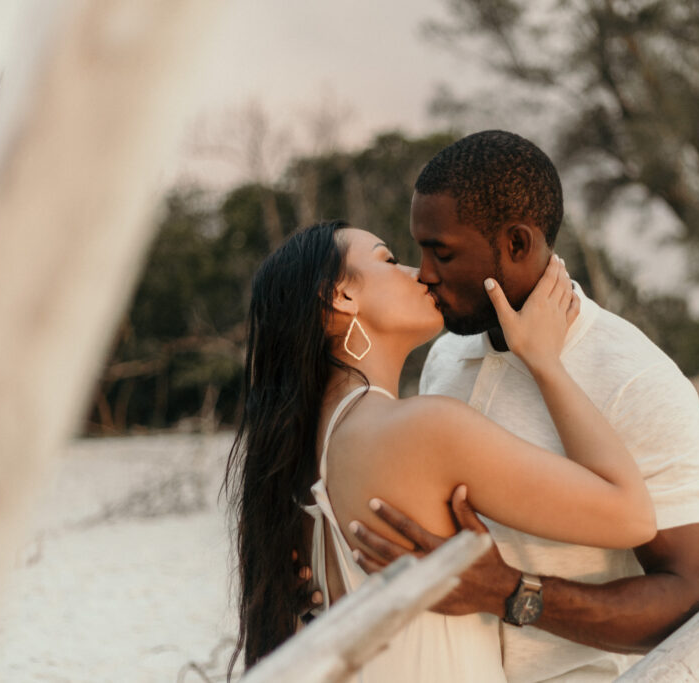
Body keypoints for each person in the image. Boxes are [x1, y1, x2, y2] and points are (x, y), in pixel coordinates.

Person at [348, 130, 699, 682]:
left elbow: (695, 596)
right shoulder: (446, 357)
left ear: (518, 244)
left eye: (443, 251)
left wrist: (512, 594)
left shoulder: (637, 380)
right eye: (419, 249)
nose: (425, 273)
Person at [223, 218, 658, 680]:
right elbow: (632, 515)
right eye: (389, 260)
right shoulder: (424, 429)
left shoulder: (293, 463)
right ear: (340, 295)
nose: (420, 273)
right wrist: (544, 361)